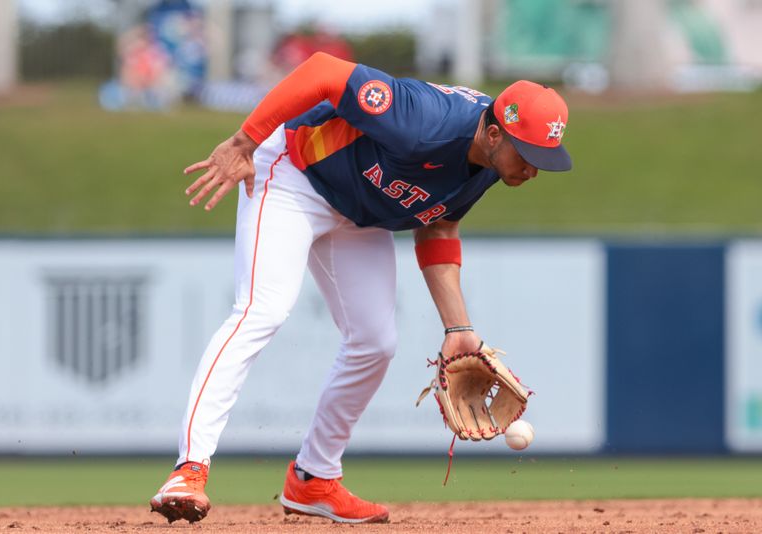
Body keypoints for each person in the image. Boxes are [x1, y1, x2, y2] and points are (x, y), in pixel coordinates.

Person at [149, 52, 572, 525]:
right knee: (262, 310)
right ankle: (189, 469)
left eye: (543, 159)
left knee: (375, 342)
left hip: (359, 214)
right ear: (494, 134)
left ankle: (314, 479)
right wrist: (243, 141)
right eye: (529, 155)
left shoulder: (492, 164)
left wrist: (459, 328)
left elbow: (438, 227)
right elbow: (323, 72)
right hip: (294, 171)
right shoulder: (422, 120)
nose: (533, 170)